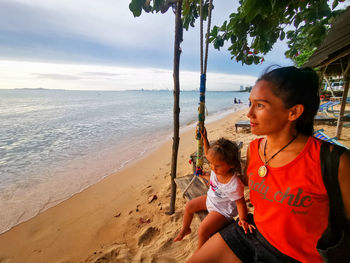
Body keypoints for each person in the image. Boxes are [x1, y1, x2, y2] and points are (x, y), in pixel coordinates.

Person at [187, 66, 350, 263]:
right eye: (250, 103)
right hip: (253, 233)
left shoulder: (335, 161)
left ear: (294, 112)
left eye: (260, 105)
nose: (249, 113)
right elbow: (246, 181)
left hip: (299, 257)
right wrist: (216, 177)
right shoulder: (254, 149)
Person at [174, 128, 254, 250]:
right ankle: (186, 228)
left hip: (222, 211)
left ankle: (200, 253)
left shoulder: (234, 184)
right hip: (210, 200)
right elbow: (207, 153)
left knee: (202, 231)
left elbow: (241, 203)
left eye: (217, 165)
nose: (212, 167)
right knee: (190, 205)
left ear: (231, 165)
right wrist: (204, 138)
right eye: (211, 164)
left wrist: (243, 219)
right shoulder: (217, 169)